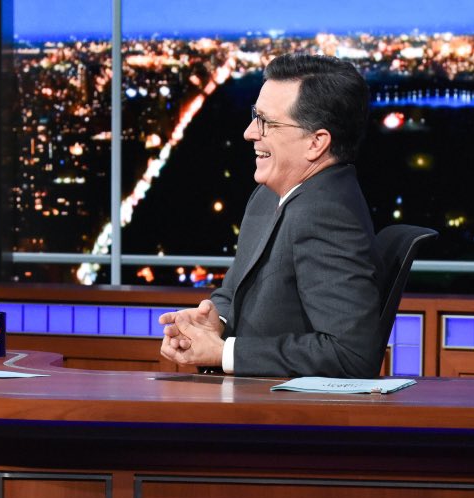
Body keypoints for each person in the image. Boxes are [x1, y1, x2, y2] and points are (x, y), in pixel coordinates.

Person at [159, 54, 382, 378]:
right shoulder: (269, 195)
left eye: (267, 122)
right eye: (255, 116)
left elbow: (351, 354)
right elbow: (234, 289)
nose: (250, 132)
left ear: (316, 142)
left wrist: (225, 353)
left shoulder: (327, 214)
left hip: (280, 407)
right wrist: (216, 321)